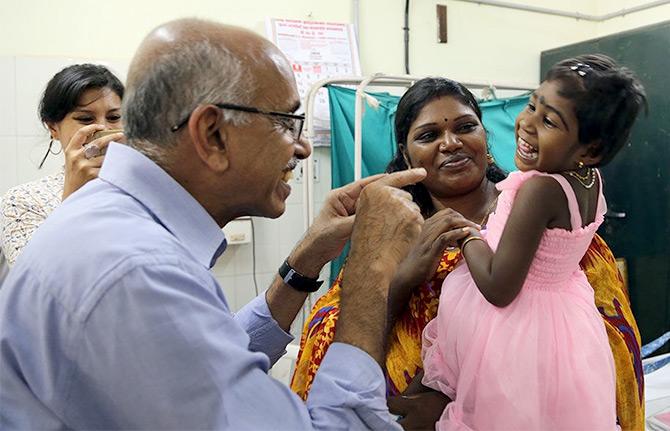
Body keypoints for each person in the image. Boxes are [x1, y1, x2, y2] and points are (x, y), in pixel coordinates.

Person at [0, 18, 457, 430]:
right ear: (213, 134)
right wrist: (370, 271)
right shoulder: (135, 270)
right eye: (286, 122)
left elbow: (207, 359)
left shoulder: (118, 225)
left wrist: (308, 256)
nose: (300, 148)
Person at [291, 77, 645, 430]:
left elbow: (607, 343)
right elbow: (329, 342)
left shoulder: (549, 223)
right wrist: (403, 279)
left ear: (485, 137)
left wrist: (460, 401)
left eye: (465, 127)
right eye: (429, 135)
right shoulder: (388, 234)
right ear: (405, 153)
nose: (451, 143)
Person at [419, 54, 646, 429]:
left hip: (515, 331)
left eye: (549, 121)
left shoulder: (539, 189)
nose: (526, 124)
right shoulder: (588, 181)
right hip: (566, 325)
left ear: (589, 149)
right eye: (531, 105)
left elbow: (498, 287)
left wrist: (466, 234)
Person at [0, 64, 124, 267]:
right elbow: (34, 283)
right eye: (85, 119)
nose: (103, 129)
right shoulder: (22, 202)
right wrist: (73, 196)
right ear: (53, 128)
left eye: (114, 118)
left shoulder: (141, 189)